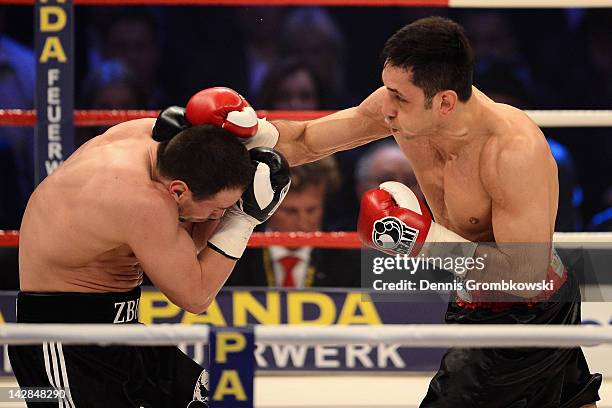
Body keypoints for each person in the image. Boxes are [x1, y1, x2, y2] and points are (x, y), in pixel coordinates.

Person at [248, 16, 600, 408]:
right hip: (478, 297)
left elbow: (523, 274)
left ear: (445, 101)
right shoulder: (402, 111)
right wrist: (247, 138)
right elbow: (309, 140)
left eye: (400, 97)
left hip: (527, 310)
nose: (388, 106)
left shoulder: (512, 152)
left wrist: (425, 243)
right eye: (388, 89)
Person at [8, 87, 291, 407]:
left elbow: (187, 246)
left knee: (210, 401)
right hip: (60, 344)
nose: (221, 213)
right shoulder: (140, 197)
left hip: (124, 333)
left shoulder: (164, 157)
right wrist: (244, 219)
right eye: (220, 206)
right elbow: (196, 296)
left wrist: (362, 120)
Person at [228, 157, 361, 288]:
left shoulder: (351, 259)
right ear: (267, 207)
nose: (303, 223)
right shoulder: (234, 255)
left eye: (311, 210)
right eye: (290, 211)